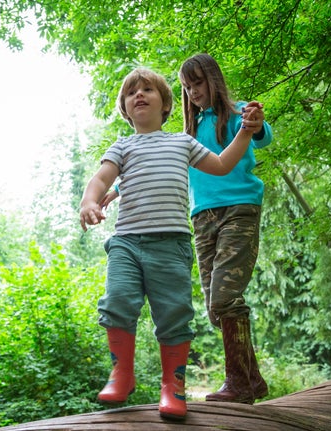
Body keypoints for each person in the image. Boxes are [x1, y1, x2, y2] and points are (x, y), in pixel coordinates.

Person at [79, 67, 262, 420]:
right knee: (116, 301)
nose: (140, 95)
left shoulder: (183, 141)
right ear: (125, 108)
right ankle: (122, 373)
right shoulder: (122, 147)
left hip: (172, 244)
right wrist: (89, 201)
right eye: (132, 92)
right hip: (126, 243)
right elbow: (101, 179)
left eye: (148, 89)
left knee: (175, 314)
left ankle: (172, 387)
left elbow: (223, 164)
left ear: (166, 105)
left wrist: (245, 131)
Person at [178, 53, 273, 405]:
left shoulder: (237, 113)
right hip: (202, 218)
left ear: (213, 80)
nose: (193, 92)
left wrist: (254, 122)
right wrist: (115, 189)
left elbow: (261, 135)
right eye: (187, 87)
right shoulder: (187, 133)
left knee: (224, 297)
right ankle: (253, 379)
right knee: (214, 308)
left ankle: (237, 383)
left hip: (239, 210)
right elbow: (164, 165)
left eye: (198, 83)